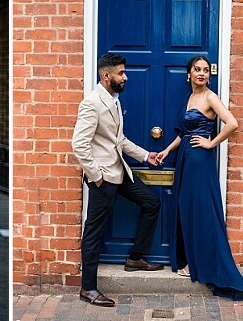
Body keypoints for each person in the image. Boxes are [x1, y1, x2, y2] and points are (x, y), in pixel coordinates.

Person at [153, 56, 243, 301]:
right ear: (189, 74)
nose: (201, 73)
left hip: (199, 161)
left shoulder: (210, 97)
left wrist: (211, 143)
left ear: (209, 75)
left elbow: (232, 123)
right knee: (185, 210)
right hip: (185, 159)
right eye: (197, 69)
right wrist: (167, 150)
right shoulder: (190, 97)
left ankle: (206, 266)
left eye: (206, 70)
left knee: (200, 211)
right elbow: (184, 133)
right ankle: (188, 261)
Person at [71, 53, 165, 307]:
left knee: (151, 203)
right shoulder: (92, 103)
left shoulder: (113, 100)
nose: (126, 76)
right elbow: (79, 145)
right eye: (121, 73)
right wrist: (96, 176)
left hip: (119, 171)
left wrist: (147, 155)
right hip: (103, 177)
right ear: (106, 75)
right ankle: (88, 289)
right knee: (94, 231)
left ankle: (135, 257)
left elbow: (119, 141)